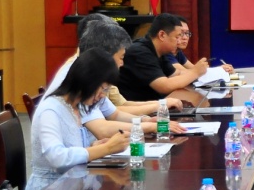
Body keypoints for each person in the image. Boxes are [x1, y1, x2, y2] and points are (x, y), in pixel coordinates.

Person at [44, 21, 182, 140]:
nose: (122, 64)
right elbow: (102, 129)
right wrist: (149, 127)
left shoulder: (95, 74)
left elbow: (114, 114)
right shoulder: (81, 76)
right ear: (105, 56)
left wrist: (146, 120)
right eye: (121, 57)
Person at [25, 50, 131, 190]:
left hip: (72, 189)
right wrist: (106, 148)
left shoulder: (77, 107)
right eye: (103, 89)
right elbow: (58, 157)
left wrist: (94, 146)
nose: (103, 95)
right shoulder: (51, 109)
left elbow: (71, 146)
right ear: (88, 80)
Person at [117, 13, 210, 101]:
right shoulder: (140, 52)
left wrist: (200, 72)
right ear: (162, 35)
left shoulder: (161, 51)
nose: (179, 41)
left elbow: (177, 74)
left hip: (154, 105)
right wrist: (195, 72)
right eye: (177, 37)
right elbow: (164, 86)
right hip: (135, 108)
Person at [168, 17, 234, 76]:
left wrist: (221, 69)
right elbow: (187, 74)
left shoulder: (178, 52)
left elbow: (194, 70)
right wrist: (219, 70)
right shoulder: (165, 54)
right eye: (181, 33)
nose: (185, 37)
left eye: (187, 33)